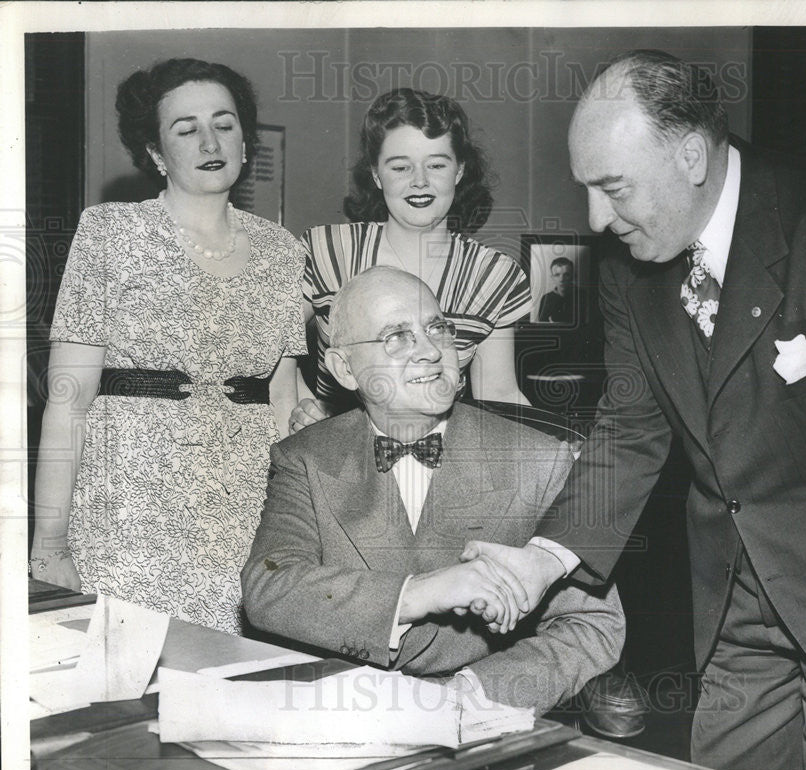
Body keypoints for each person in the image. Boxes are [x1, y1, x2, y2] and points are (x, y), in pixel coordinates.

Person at [461, 50, 806, 769]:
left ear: (689, 157)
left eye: (612, 187)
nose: (595, 218)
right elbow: (629, 430)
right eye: (586, 189)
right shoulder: (631, 268)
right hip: (736, 610)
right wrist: (540, 560)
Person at [242, 267, 624, 714]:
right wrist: (418, 593)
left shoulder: (539, 459)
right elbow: (269, 586)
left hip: (480, 715)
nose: (428, 350)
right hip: (343, 709)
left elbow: (594, 625)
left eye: (436, 329)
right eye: (396, 336)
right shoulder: (306, 456)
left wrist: (472, 693)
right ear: (345, 369)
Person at [30, 58, 307, 636]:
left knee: (229, 683)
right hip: (128, 504)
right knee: (127, 686)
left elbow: (284, 402)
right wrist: (49, 541)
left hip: (244, 504)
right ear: (156, 153)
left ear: (244, 140)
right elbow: (68, 402)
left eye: (224, 124)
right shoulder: (111, 233)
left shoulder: (283, 250)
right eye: (186, 129)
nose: (210, 141)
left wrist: (298, 531)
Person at [291, 88, 531, 432]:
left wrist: (557, 450)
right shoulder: (328, 251)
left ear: (459, 170)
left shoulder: (494, 277)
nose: (420, 181)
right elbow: (265, 348)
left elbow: (499, 394)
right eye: (401, 166)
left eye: (436, 164)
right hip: (332, 457)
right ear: (376, 174)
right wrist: (304, 405)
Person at [537, 257, 576, 323]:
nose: (562, 279)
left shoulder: (582, 296)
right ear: (552, 278)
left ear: (572, 276)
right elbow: (542, 326)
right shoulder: (546, 299)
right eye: (557, 275)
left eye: (566, 275)